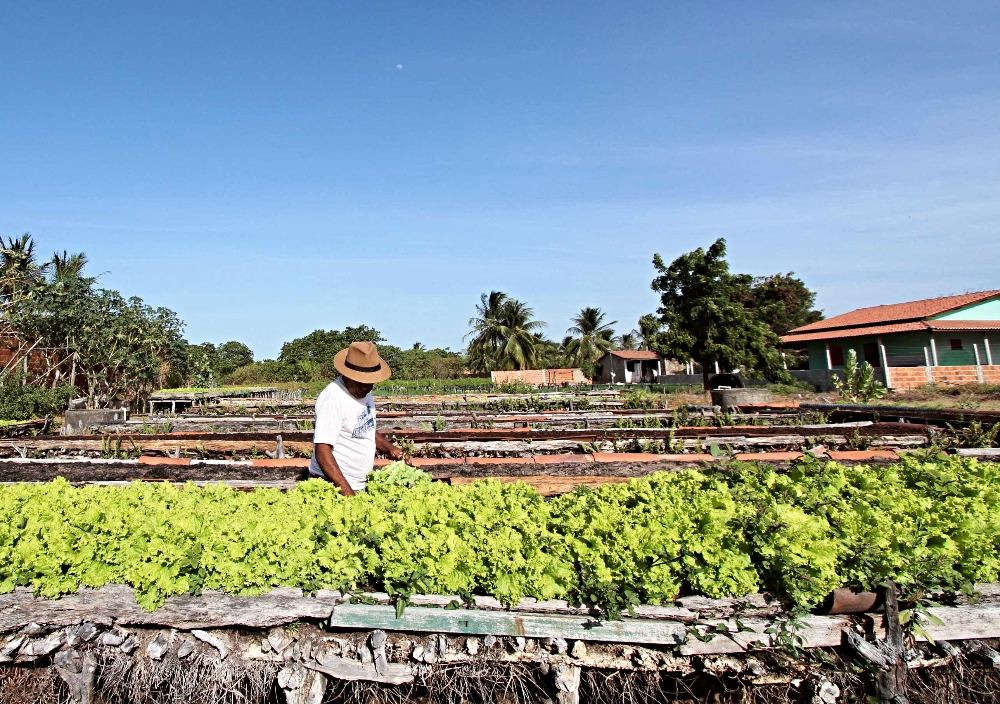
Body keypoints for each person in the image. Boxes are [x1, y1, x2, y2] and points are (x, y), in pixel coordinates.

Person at [308, 341, 404, 495]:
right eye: (361, 381)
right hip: (334, 487)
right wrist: (348, 492)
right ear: (347, 375)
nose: (366, 387)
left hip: (356, 485)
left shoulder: (364, 393)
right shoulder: (333, 398)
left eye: (370, 382)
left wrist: (391, 449)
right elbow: (322, 450)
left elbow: (365, 428)